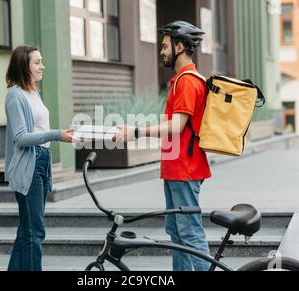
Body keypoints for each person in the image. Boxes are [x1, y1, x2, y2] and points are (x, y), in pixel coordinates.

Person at [115, 21, 212, 271]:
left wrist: (135, 131)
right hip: (176, 168)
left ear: (180, 47)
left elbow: (177, 126)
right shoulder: (180, 80)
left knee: (189, 233)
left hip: (185, 168)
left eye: (165, 46)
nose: (162, 51)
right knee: (178, 235)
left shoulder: (188, 82)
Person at [4, 45, 78, 271]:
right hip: (29, 164)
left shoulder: (33, 92)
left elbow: (38, 129)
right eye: (37, 62)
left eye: (41, 61)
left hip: (42, 161)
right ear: (23, 66)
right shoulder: (15, 96)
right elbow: (21, 138)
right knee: (34, 231)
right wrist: (57, 135)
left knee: (26, 230)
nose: (42, 66)